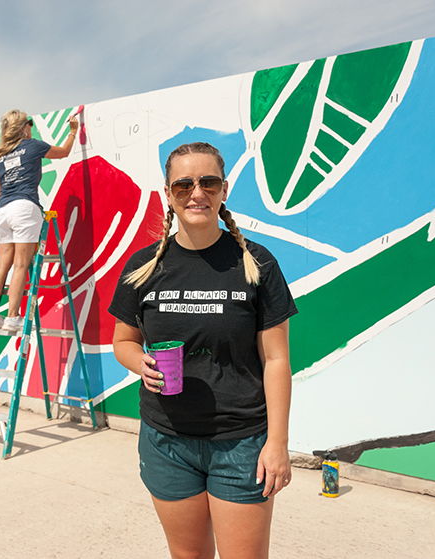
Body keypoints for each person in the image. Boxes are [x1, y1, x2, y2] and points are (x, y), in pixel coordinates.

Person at [108, 142, 297, 558]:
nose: (197, 193)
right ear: (169, 194)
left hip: (241, 443)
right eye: (184, 184)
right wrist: (140, 362)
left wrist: (277, 443)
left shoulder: (256, 262)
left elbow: (277, 360)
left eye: (208, 182)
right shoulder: (144, 267)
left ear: (224, 189)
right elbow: (123, 341)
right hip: (166, 441)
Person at [0, 109, 78, 331]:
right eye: (29, 124)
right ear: (23, 127)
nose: (31, 128)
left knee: (2, 264)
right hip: (24, 206)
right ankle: (13, 317)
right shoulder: (32, 146)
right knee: (21, 264)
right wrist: (73, 132)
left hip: (3, 210)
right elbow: (63, 153)